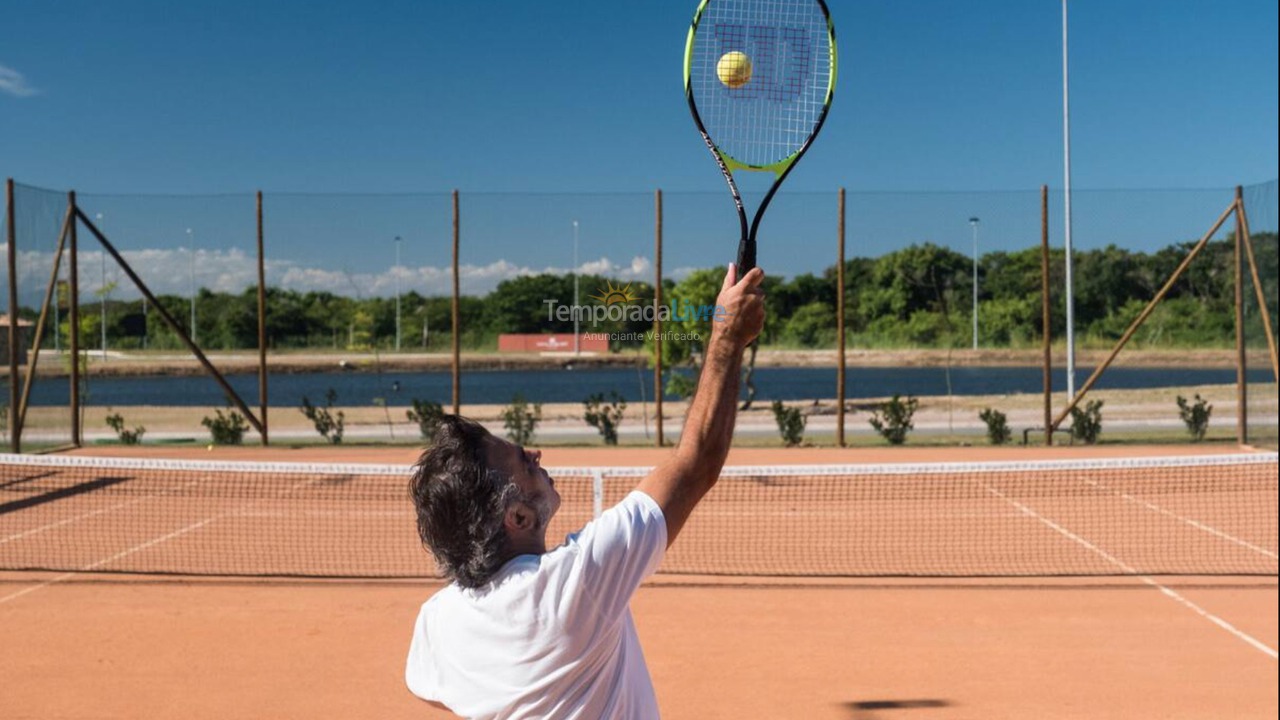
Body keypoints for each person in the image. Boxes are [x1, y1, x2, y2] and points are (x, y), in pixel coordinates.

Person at [405, 264, 766, 718]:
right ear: (516, 517)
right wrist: (727, 338)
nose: (535, 454)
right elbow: (695, 465)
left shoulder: (438, 621)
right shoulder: (576, 584)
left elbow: (428, 687)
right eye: (521, 460)